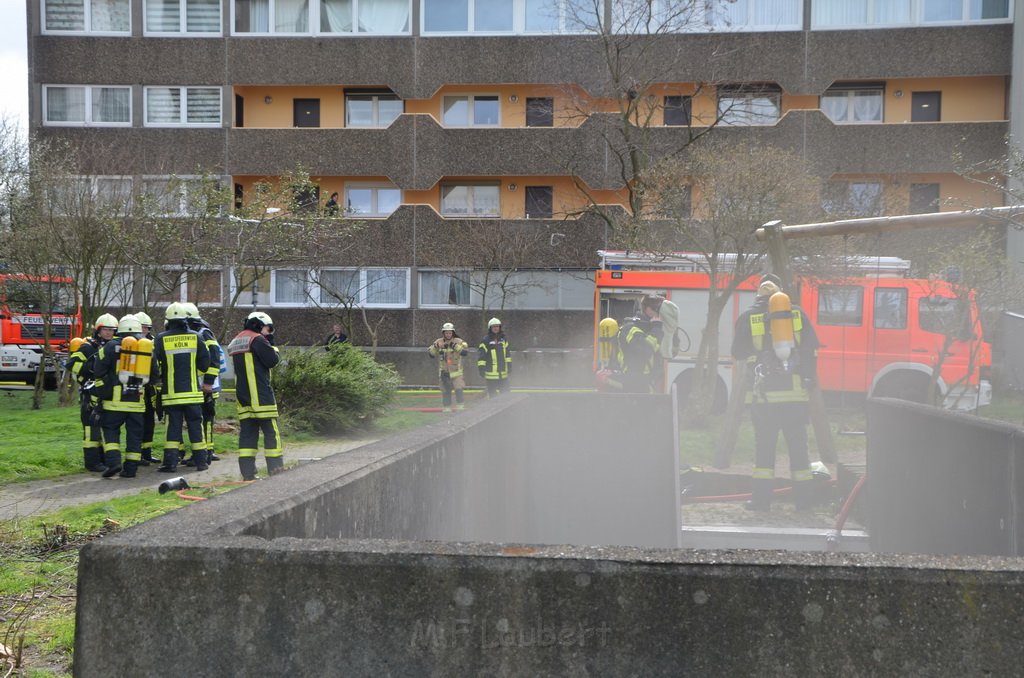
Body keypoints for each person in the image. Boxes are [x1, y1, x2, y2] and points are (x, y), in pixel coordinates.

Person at [731, 273, 820, 512]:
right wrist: (809, 379)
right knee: (799, 450)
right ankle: (804, 502)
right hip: (795, 396)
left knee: (764, 450)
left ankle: (761, 502)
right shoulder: (797, 314)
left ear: (759, 293)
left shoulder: (749, 317)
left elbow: (737, 352)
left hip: (764, 398)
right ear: (780, 292)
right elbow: (811, 348)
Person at [152, 302, 212, 473]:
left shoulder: (160, 338)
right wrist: (194, 372)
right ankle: (201, 462)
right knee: (196, 426)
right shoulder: (196, 337)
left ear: (168, 320)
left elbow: (155, 363)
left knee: (173, 428)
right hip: (193, 394)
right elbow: (205, 362)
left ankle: (170, 464)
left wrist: (160, 378)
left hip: (172, 394)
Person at [90, 314, 150, 478]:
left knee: (110, 430)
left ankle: (114, 462)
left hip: (113, 402)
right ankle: (131, 469)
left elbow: (98, 370)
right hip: (137, 401)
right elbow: (155, 373)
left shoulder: (109, 347)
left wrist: (104, 389)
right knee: (135, 435)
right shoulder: (146, 347)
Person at [227, 311, 282, 480]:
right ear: (259, 324)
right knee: (272, 434)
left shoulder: (236, 340)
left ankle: (248, 474)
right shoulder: (257, 340)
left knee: (247, 436)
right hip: (261, 396)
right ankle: (276, 471)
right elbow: (273, 360)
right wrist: (272, 345)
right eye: (268, 328)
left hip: (244, 399)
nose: (270, 332)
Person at [67, 313, 117, 472]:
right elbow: (72, 364)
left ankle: (104, 461)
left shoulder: (115, 346)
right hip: (90, 394)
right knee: (91, 430)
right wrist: (92, 369)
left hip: (106, 394)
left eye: (112, 330)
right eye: (106, 330)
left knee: (105, 428)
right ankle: (92, 463)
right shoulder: (88, 347)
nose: (109, 333)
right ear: (98, 330)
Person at [182, 302, 223, 467]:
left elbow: (214, 359)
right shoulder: (197, 333)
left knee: (205, 419)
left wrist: (208, 383)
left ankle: (205, 452)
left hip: (206, 386)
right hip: (200, 386)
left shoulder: (203, 334)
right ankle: (207, 451)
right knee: (203, 419)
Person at [614, 295, 664, 394]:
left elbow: (671, 352)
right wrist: (657, 328)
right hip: (633, 384)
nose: (661, 315)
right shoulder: (629, 329)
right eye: (659, 311)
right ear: (649, 310)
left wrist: (673, 333)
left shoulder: (653, 329)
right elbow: (646, 350)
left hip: (647, 384)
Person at [133, 311, 161, 466]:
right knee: (137, 423)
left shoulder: (154, 342)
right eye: (141, 327)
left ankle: (147, 453)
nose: (144, 331)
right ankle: (136, 454)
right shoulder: (130, 342)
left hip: (150, 388)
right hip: (135, 387)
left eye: (146, 328)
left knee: (150, 421)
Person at [428, 322, 469, 412]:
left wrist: (455, 346)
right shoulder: (438, 342)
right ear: (443, 333)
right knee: (446, 392)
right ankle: (447, 409)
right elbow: (431, 354)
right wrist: (436, 346)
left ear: (453, 333)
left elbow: (465, 352)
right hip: (444, 373)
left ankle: (460, 408)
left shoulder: (458, 341)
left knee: (459, 390)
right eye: (446, 333)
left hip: (457, 373)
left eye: (450, 333)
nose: (448, 334)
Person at [477, 317, 511, 398]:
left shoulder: (503, 339)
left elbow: (507, 354)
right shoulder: (485, 340)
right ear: (490, 328)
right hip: (491, 374)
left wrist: (509, 365)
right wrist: (481, 368)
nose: (496, 328)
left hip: (503, 374)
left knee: (506, 396)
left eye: (497, 326)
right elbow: (482, 356)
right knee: (493, 397)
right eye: (494, 326)